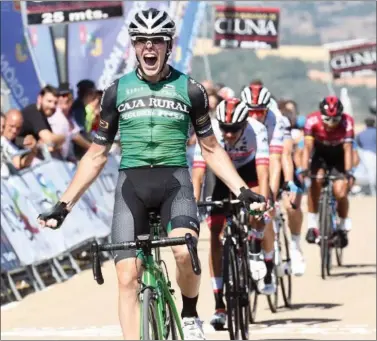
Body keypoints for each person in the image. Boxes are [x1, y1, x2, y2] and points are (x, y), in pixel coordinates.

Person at [37, 8, 266, 341]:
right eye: (142, 40)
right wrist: (64, 205)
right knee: (127, 275)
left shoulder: (191, 90)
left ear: (168, 45)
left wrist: (243, 190)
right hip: (133, 187)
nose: (149, 47)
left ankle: (189, 313)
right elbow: (97, 154)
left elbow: (212, 150)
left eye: (156, 41)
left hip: (175, 183)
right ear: (134, 45)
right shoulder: (116, 92)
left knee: (184, 251)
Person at [192, 98, 270, 329]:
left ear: (244, 125)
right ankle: (219, 304)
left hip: (247, 169)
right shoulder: (209, 129)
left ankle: (255, 246)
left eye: (234, 130)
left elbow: (263, 172)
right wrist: (193, 203)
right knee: (216, 232)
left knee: (257, 210)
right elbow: (198, 173)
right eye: (225, 129)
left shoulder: (257, 130)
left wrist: (263, 204)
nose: (228, 135)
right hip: (219, 172)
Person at [301, 96, 355, 246]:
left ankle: (343, 225)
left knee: (340, 191)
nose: (331, 124)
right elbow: (307, 148)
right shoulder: (312, 121)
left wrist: (349, 173)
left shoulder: (347, 121)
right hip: (320, 155)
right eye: (327, 120)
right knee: (316, 180)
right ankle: (312, 225)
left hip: (339, 156)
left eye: (335, 120)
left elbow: (348, 149)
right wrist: (305, 169)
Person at [48, 83, 91, 161]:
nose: (64, 98)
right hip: (53, 159)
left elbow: (75, 135)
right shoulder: (53, 115)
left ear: (72, 99)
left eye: (67, 95)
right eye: (61, 95)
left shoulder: (69, 117)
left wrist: (91, 147)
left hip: (63, 160)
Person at [19, 85, 65, 155]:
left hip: (25, 154)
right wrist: (62, 137)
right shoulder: (33, 112)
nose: (52, 106)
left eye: (55, 103)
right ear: (40, 98)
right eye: (49, 101)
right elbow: (49, 139)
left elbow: (54, 146)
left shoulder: (43, 117)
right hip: (13, 153)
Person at [356, 116, 376, 195]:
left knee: (370, 172)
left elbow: (358, 144)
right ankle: (373, 191)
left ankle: (372, 190)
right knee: (373, 173)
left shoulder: (361, 134)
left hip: (366, 154)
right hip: (373, 154)